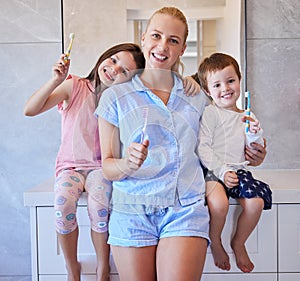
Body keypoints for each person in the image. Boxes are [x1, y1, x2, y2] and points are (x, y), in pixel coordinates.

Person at [96, 7, 210, 281]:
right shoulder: (115, 98)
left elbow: (219, 144)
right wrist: (127, 162)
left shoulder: (196, 97)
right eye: (156, 36)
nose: (162, 46)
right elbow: (108, 167)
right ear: (144, 38)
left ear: (182, 48)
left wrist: (252, 152)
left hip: (183, 209)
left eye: (173, 40)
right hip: (132, 211)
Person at [24, 43, 145, 281]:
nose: (113, 69)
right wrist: (55, 81)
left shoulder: (120, 102)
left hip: (100, 167)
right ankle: (72, 267)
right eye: (113, 60)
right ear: (104, 56)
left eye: (123, 71)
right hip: (70, 167)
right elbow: (30, 109)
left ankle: (102, 267)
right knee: (62, 205)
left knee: (100, 207)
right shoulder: (75, 86)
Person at [197, 52, 272, 273]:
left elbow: (253, 146)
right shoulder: (211, 113)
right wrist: (221, 172)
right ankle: (216, 240)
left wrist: (256, 135)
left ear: (239, 80)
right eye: (217, 85)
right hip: (214, 171)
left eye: (230, 81)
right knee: (219, 204)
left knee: (256, 203)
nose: (225, 88)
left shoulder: (248, 114)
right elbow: (204, 147)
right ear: (207, 91)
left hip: (239, 171)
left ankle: (239, 242)